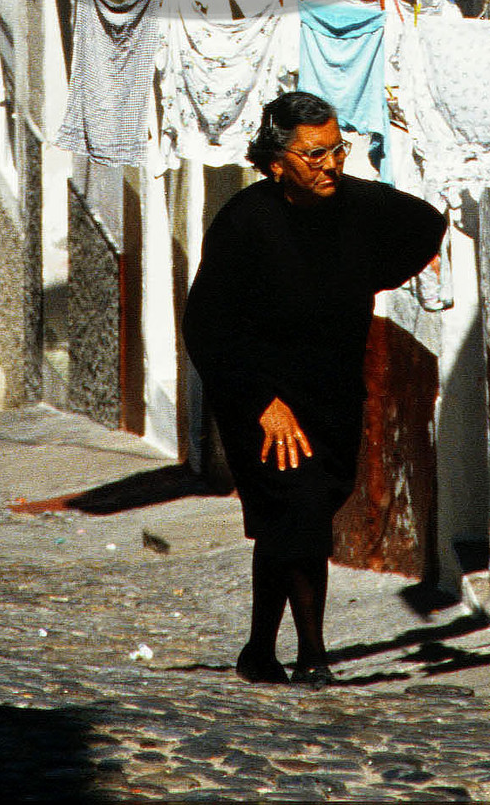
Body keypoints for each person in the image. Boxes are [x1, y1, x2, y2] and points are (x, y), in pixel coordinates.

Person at [182, 88, 447, 686]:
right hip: (264, 400)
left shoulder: (351, 204)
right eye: (312, 155)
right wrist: (261, 404)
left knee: (292, 518)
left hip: (331, 394)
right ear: (276, 162)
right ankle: (314, 657)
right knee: (299, 515)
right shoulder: (245, 222)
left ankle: (257, 651)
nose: (330, 165)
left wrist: (370, 273)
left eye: (336, 150)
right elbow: (206, 325)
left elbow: (423, 223)